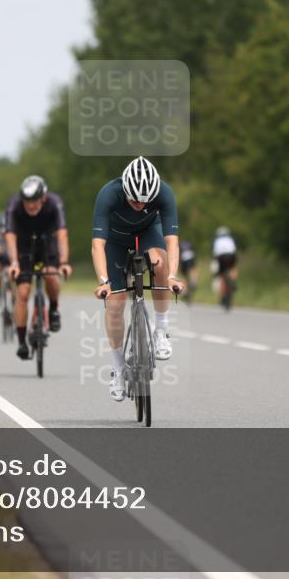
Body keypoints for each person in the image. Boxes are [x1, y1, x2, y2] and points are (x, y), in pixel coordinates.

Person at [92, 157, 184, 401]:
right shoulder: (108, 194)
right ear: (125, 190)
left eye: (145, 200)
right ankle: (118, 368)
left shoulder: (164, 193)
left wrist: (173, 276)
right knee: (115, 303)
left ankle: (162, 329)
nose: (139, 203)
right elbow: (98, 245)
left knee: (160, 261)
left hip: (147, 232)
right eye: (134, 199)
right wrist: (103, 281)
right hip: (115, 239)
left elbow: (172, 241)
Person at [6, 175, 72, 360]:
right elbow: (10, 236)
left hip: (47, 244)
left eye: (35, 201)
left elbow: (62, 234)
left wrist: (64, 262)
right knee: (23, 293)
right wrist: (13, 263)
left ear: (43, 197)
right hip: (24, 247)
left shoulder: (54, 203)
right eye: (27, 202)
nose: (31, 206)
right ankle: (21, 342)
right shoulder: (14, 205)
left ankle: (53, 308)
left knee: (51, 276)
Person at [212, 227, 237, 308]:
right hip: (231, 256)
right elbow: (234, 250)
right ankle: (233, 280)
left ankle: (223, 296)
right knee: (232, 268)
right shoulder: (231, 239)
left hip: (221, 257)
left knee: (222, 275)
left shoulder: (217, 240)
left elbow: (215, 253)